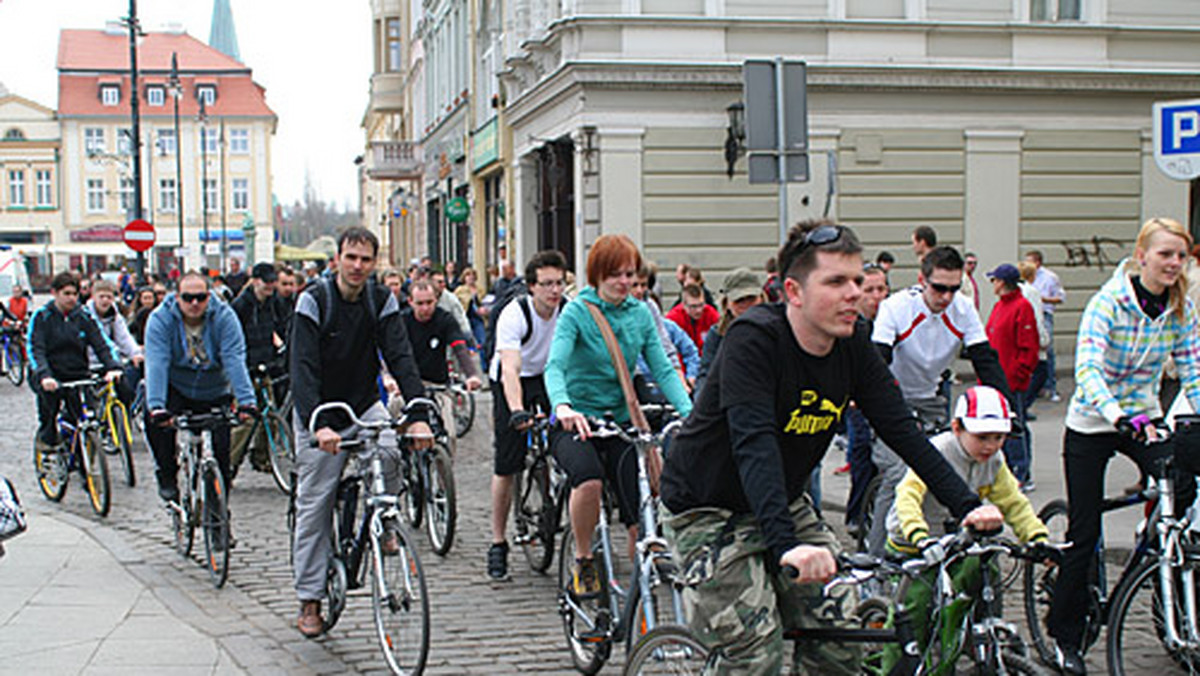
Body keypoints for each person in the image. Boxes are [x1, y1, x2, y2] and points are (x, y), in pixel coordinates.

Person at [659, 223, 1002, 674]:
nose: (854, 294)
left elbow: (902, 432)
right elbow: (753, 444)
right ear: (793, 292)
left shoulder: (853, 342)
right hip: (707, 509)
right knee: (754, 652)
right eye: (836, 282)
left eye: (858, 281)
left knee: (843, 638)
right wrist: (785, 545)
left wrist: (966, 505)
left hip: (779, 499)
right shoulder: (754, 340)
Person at [1046, 217, 1200, 675]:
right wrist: (1116, 415)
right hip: (1095, 420)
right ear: (1142, 257)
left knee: (1183, 483)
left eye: (1181, 255)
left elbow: (1192, 370)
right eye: (1165, 254)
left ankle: (1158, 552)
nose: (1174, 263)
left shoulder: (1181, 308)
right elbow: (1089, 370)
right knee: (1084, 534)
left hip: (1145, 417)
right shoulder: (1108, 302)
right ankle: (1065, 637)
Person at [289, 227, 433, 638]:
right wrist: (318, 424)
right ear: (338, 258)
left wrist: (418, 410)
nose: (357, 266)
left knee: (389, 451)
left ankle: (385, 524)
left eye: (365, 259)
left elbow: (400, 355)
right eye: (351, 257)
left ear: (374, 263)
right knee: (315, 502)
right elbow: (302, 368)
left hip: (363, 399)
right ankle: (310, 598)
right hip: (319, 407)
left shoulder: (380, 298)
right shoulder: (314, 301)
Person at [545, 234, 694, 596]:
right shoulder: (578, 312)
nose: (626, 283)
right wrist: (562, 406)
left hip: (620, 420)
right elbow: (555, 366)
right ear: (597, 275)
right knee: (590, 480)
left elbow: (662, 367)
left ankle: (641, 592)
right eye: (616, 275)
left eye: (630, 274)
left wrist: (692, 415)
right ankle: (583, 559)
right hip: (577, 420)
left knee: (639, 508)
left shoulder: (640, 313)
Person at [884, 386, 1050, 667]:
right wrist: (918, 534)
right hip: (915, 541)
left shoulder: (994, 460)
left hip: (957, 540)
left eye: (999, 437)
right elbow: (908, 495)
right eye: (982, 437)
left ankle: (968, 630)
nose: (991, 445)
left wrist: (1036, 536)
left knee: (983, 568)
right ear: (957, 427)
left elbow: (1012, 501)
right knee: (915, 609)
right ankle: (895, 666)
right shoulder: (938, 451)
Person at [866, 245, 1014, 556]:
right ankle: (876, 558)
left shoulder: (962, 308)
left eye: (953, 288)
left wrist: (1005, 407)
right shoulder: (895, 307)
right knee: (898, 476)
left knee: (945, 476)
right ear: (922, 280)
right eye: (939, 288)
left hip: (932, 398)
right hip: (893, 397)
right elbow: (879, 359)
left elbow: (984, 359)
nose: (946, 297)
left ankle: (941, 553)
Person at [487, 250, 568, 580]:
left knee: (569, 437)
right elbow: (511, 366)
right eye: (547, 284)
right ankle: (498, 541)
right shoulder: (515, 313)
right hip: (513, 378)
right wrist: (517, 410)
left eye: (560, 283)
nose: (554, 290)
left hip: (549, 377)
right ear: (532, 287)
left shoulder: (568, 311)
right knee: (507, 463)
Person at [143, 272, 257, 504]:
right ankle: (166, 474)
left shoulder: (224, 316)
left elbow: (234, 358)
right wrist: (156, 406)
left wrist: (247, 401)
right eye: (187, 298)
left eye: (200, 297)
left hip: (214, 388)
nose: (194, 303)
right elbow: (157, 362)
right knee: (155, 425)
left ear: (209, 296)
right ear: (177, 298)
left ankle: (219, 516)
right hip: (176, 386)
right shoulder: (160, 319)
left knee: (222, 452)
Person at [28, 272, 123, 453]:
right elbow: (35, 349)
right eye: (67, 294)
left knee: (82, 417)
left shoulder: (83, 316)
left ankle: (83, 460)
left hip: (77, 373)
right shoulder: (42, 317)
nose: (71, 298)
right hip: (49, 374)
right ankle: (47, 445)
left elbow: (102, 343)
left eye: (74, 294)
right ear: (55, 293)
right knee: (49, 410)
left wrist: (113, 367)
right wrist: (44, 375)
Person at [984, 264, 1039, 490]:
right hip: (997, 379)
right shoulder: (999, 306)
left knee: (1015, 426)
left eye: (995, 280)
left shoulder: (1021, 307)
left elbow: (1029, 347)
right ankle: (1004, 469)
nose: (992, 284)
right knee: (999, 426)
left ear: (1003, 282)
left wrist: (1018, 375)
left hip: (1011, 380)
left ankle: (1021, 470)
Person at [843, 263, 889, 529]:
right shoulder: (852, 325)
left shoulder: (892, 319)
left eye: (881, 289)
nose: (877, 296)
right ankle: (856, 515)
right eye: (870, 289)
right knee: (861, 458)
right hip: (856, 404)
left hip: (885, 400)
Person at [229, 263, 287, 475]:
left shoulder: (273, 303)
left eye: (273, 281)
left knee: (271, 414)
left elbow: (281, 326)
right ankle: (229, 463)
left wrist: (284, 350)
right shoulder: (241, 305)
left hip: (266, 364)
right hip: (245, 368)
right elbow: (233, 339)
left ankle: (262, 457)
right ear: (255, 281)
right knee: (247, 419)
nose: (270, 286)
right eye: (266, 282)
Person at [398, 280, 483, 396]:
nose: (425, 308)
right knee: (395, 407)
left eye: (429, 302)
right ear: (410, 302)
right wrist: (389, 378)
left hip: (438, 383)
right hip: (409, 383)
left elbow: (460, 348)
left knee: (446, 411)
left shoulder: (445, 319)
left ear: (436, 300)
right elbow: (393, 351)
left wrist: (472, 375)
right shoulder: (402, 322)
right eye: (420, 303)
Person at [694, 267, 764, 397]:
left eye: (751, 299)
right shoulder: (717, 335)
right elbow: (706, 377)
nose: (747, 305)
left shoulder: (775, 332)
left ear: (762, 298)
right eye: (739, 300)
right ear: (727, 304)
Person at [83, 280, 143, 406]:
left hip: (110, 361)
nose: (105, 300)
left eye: (109, 297)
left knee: (126, 388)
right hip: (89, 362)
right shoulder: (84, 316)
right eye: (101, 297)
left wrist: (135, 354)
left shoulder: (115, 316)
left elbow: (124, 338)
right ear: (93, 297)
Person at [1024, 249, 1065, 402]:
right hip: (1027, 315)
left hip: (1043, 313)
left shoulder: (1050, 277)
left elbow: (1060, 297)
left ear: (1038, 262)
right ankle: (1034, 386)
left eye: (1030, 261)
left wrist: (1044, 299)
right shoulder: (1025, 278)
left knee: (1047, 349)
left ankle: (1050, 386)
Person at [665, 284, 720, 354]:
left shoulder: (711, 314)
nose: (699, 310)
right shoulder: (673, 319)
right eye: (693, 306)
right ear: (684, 305)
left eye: (701, 304)